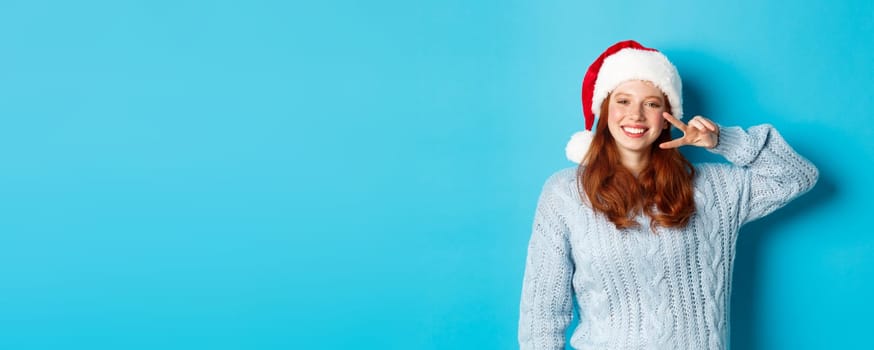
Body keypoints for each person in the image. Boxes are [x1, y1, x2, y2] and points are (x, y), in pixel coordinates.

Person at [517, 40, 819, 350]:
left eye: (651, 103)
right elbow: (541, 317)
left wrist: (722, 140)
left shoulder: (714, 189)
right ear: (605, 109)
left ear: (668, 114)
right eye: (622, 101)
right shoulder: (565, 194)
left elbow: (797, 176)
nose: (635, 114)